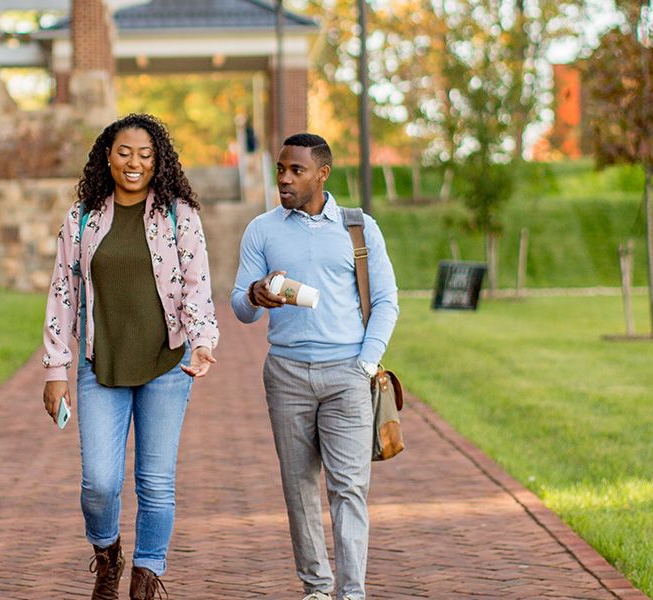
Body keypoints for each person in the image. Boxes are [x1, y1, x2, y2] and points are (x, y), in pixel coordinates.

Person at [40, 114, 220, 600]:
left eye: (145, 154)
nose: (134, 163)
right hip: (101, 365)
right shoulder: (82, 218)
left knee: (156, 483)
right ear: (107, 156)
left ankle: (145, 578)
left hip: (167, 364)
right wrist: (56, 367)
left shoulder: (179, 215)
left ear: (158, 160)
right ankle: (107, 554)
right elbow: (62, 291)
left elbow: (197, 287)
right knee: (99, 483)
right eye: (124, 152)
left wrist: (203, 342)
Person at [231, 133, 399, 600]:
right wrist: (253, 296)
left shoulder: (358, 228)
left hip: (347, 373)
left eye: (295, 170)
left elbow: (386, 300)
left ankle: (352, 592)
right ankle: (317, 589)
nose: (284, 178)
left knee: (349, 489)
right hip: (285, 375)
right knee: (299, 488)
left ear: (322, 173)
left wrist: (365, 365)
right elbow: (241, 308)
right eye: (281, 168)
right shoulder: (262, 229)